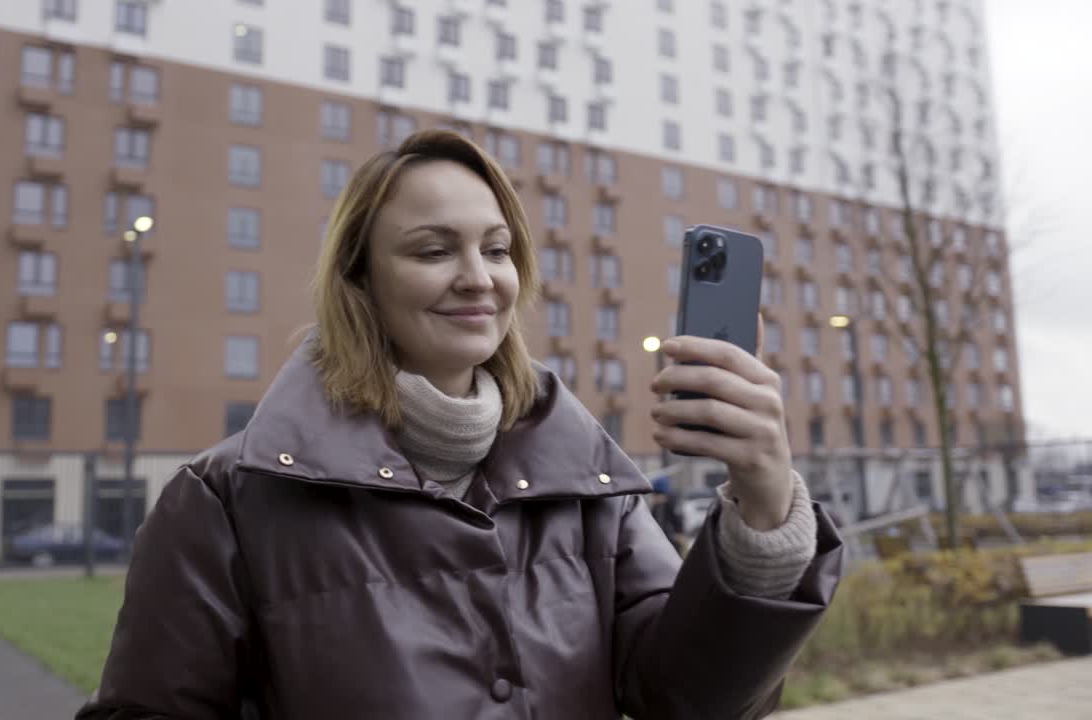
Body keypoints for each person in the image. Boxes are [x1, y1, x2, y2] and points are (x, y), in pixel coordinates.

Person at [77, 130, 842, 720]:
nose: (478, 278)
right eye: (434, 249)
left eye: (498, 248)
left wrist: (766, 504)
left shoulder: (590, 485)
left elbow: (688, 699)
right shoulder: (224, 501)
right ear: (360, 280)